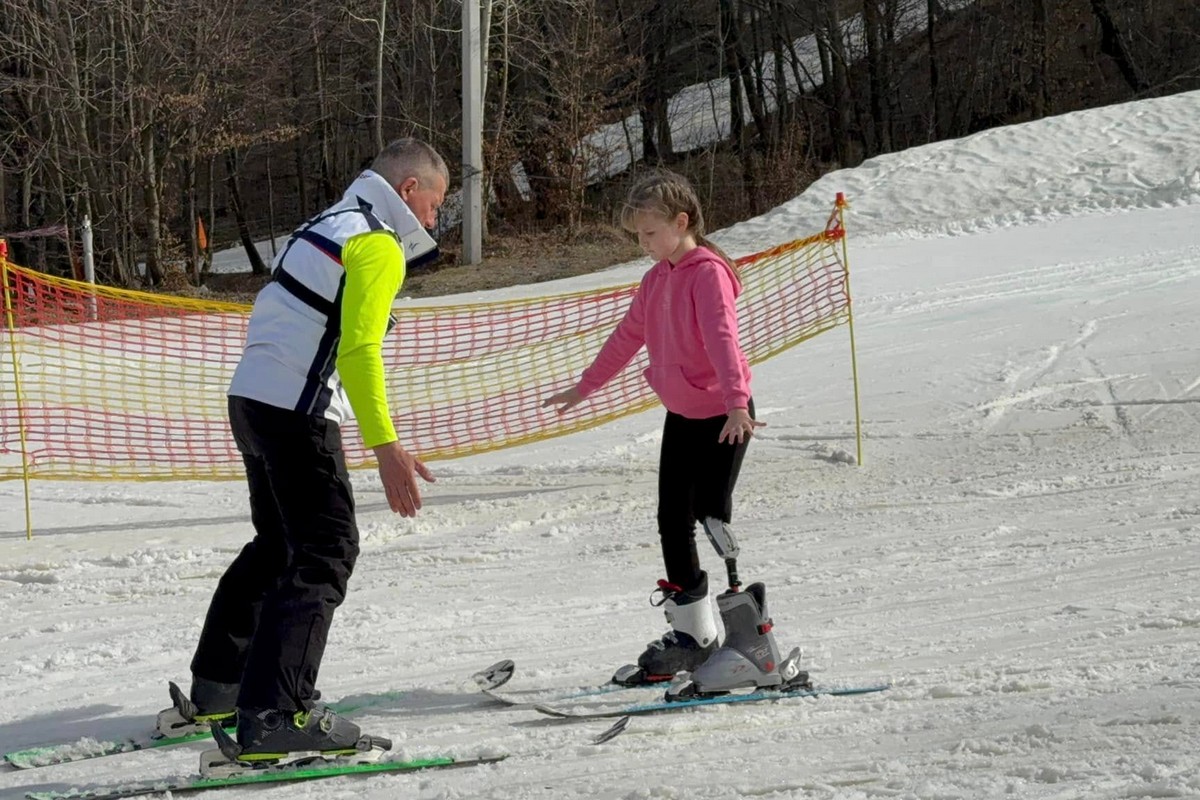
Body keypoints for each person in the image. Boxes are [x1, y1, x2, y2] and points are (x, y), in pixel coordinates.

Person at [161, 138, 448, 766]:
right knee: (324, 550)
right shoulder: (375, 242)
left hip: (251, 399)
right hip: (295, 410)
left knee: (277, 546)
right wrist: (386, 446)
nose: (433, 221)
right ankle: (275, 715)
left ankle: (221, 687)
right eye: (434, 204)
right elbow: (359, 350)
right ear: (408, 191)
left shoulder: (325, 223)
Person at [544, 170, 795, 695]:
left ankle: (750, 639)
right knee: (670, 519)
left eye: (650, 233)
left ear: (682, 223)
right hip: (683, 414)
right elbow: (626, 337)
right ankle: (694, 634)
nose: (644, 244)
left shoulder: (707, 273)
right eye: (638, 236)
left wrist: (734, 404)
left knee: (710, 514)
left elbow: (724, 338)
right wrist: (585, 387)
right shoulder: (657, 277)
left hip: (726, 414)